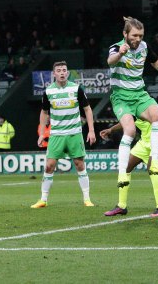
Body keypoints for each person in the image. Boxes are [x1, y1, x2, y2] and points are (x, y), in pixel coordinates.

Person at [107, 17, 158, 191]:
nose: (138, 39)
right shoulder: (116, 47)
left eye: (141, 35)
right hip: (121, 97)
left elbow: (156, 63)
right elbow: (110, 61)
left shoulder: (144, 47)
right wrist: (120, 53)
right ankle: (121, 172)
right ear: (125, 34)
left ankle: (155, 161)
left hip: (139, 94)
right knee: (130, 130)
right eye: (134, 35)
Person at [30, 61, 96, 208]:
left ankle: (87, 199)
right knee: (49, 166)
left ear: (67, 73)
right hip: (57, 134)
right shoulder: (48, 92)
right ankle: (43, 200)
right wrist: (41, 133)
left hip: (74, 133)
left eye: (64, 70)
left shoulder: (76, 88)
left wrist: (91, 130)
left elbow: (87, 109)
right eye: (58, 70)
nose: (61, 72)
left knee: (79, 165)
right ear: (54, 73)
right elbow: (44, 112)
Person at [101, 119, 158, 217]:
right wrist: (111, 130)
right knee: (125, 168)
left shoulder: (150, 106)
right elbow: (126, 121)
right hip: (144, 142)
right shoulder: (133, 110)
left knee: (152, 170)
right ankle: (121, 206)